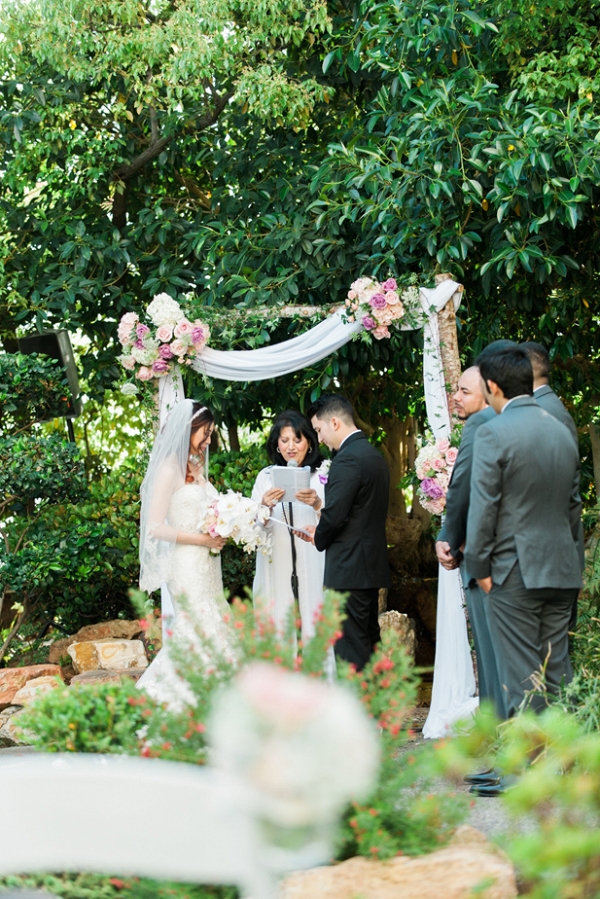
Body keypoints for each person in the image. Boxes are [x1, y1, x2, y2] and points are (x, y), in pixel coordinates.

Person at [464, 347, 582, 734]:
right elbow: (573, 509)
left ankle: (529, 780)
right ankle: (566, 767)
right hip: (562, 569)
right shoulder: (561, 428)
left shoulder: (493, 432)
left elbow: (484, 509)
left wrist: (479, 568)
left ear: (493, 387)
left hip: (513, 572)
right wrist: (574, 568)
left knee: (522, 678)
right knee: (557, 672)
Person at [137, 400, 233, 705]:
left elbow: (210, 509)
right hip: (187, 564)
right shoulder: (168, 470)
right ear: (188, 430)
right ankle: (178, 705)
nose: (207, 442)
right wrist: (201, 540)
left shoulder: (195, 467)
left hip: (207, 565)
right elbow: (155, 527)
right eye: (204, 435)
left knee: (215, 626)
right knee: (197, 629)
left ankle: (212, 704)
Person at [436, 364, 507, 720]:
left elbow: (461, 489)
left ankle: (501, 756)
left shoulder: (480, 424)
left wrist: (447, 537)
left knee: (492, 663)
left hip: (485, 560)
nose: (456, 397)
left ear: (490, 390)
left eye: (464, 391)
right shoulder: (506, 423)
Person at [302, 394, 391, 671]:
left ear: (335, 422)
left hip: (350, 568)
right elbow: (358, 514)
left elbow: (337, 515)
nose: (320, 438)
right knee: (367, 643)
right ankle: (374, 708)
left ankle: (358, 710)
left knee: (350, 649)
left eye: (319, 430)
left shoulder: (347, 460)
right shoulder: (373, 455)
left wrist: (318, 535)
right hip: (368, 565)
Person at [251, 410, 335, 677]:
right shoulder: (266, 476)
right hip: (277, 558)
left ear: (309, 442)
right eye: (284, 440)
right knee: (279, 616)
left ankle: (321, 681)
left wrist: (317, 504)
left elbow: (337, 520)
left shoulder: (323, 474)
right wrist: (264, 506)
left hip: (313, 558)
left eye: (297, 440)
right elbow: (253, 526)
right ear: (277, 444)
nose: (290, 447)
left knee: (315, 616)